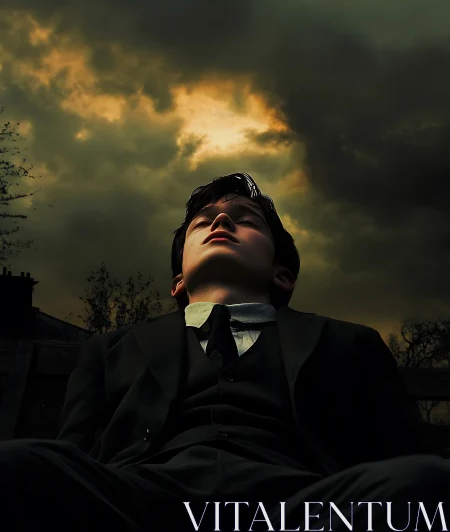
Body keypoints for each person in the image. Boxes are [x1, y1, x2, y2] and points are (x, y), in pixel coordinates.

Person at [0, 172, 448, 531]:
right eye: (204, 222)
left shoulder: (349, 342)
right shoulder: (111, 350)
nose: (220, 222)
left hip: (301, 509)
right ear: (178, 281)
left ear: (283, 276)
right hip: (138, 504)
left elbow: (398, 454)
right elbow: (74, 455)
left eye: (246, 219)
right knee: (18, 467)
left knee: (427, 482)